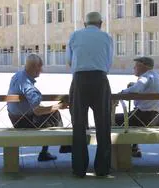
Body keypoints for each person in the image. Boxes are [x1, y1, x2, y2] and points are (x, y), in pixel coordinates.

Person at [66, 12, 113, 177]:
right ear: (101, 23)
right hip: (100, 79)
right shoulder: (107, 37)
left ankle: (79, 168)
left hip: (80, 80)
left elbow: (69, 61)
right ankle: (103, 168)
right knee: (103, 125)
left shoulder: (75, 36)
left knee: (78, 125)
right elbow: (108, 62)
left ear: (84, 23)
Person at [7, 54, 71, 162]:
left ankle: (46, 152)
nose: (41, 70)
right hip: (23, 121)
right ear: (34, 67)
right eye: (40, 67)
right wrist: (59, 106)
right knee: (54, 114)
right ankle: (63, 144)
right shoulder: (28, 85)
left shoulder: (18, 75)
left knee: (50, 114)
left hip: (15, 117)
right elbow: (37, 111)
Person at [115, 57, 159, 157]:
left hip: (147, 117)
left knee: (112, 119)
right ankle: (134, 148)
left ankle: (120, 154)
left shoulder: (145, 77)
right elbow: (141, 87)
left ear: (142, 66)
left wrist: (120, 94)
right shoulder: (156, 76)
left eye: (136, 65)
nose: (134, 68)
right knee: (131, 118)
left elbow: (136, 89)